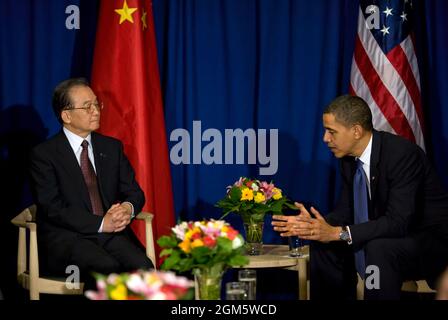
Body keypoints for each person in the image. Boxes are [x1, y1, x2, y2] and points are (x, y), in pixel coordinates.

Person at [272, 95, 448, 300]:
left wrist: (339, 233)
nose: (325, 139)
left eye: (331, 131)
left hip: (429, 242)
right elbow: (346, 212)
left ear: (356, 130)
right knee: (323, 244)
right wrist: (316, 227)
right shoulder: (348, 160)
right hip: (386, 234)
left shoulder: (402, 155)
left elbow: (399, 222)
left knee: (378, 248)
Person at [29, 78, 153, 289]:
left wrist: (127, 208)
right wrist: (101, 223)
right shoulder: (44, 154)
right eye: (87, 107)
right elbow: (53, 207)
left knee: (143, 266)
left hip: (110, 236)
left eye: (97, 104)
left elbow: (134, 192)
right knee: (105, 268)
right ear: (66, 115)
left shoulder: (112, 148)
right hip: (67, 239)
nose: (95, 111)